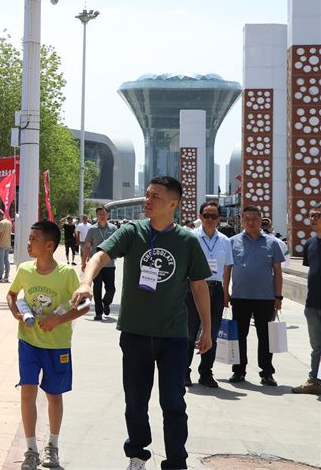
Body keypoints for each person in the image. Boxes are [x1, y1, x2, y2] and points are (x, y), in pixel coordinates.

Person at [71, 176, 212, 470]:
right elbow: (100, 255)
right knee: (135, 402)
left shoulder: (187, 240)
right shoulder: (132, 231)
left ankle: (176, 462)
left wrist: (207, 329)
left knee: (173, 402)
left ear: (173, 203)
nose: (148, 200)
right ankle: (137, 455)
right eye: (147, 195)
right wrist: (86, 281)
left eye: (156, 197)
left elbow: (199, 286)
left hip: (174, 336)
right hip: (135, 333)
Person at [6, 220, 89, 470]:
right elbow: (12, 295)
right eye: (29, 238)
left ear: (49, 245)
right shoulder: (25, 270)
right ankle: (31, 450)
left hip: (57, 345)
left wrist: (58, 320)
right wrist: (16, 312)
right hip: (28, 342)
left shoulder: (66, 274)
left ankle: (52, 446)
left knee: (53, 394)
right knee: (27, 391)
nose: (29, 243)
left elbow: (84, 306)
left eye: (34, 239)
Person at [223, 205, 285, 386]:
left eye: (255, 219)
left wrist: (278, 296)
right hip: (240, 297)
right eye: (247, 219)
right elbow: (227, 269)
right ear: (242, 221)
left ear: (261, 220)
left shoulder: (272, 243)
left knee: (265, 337)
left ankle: (267, 373)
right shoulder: (232, 242)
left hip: (265, 298)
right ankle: (238, 371)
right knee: (239, 336)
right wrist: (225, 292)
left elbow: (278, 271)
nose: (251, 222)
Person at [185, 201, 232, 388]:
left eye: (214, 216)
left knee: (211, 333)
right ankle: (184, 371)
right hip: (193, 288)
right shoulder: (191, 237)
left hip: (215, 289)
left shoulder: (225, 241)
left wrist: (226, 291)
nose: (210, 219)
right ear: (200, 216)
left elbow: (227, 268)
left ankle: (206, 373)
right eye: (206, 215)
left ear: (219, 218)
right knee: (189, 332)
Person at [292, 202, 321, 395]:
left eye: (318, 215)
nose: (313, 218)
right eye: (311, 215)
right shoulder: (309, 244)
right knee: (316, 346)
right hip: (312, 304)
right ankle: (314, 380)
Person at [82, 206, 118, 320]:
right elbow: (87, 246)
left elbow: (118, 244)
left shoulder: (114, 228)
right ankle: (98, 312)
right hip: (95, 264)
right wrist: (83, 262)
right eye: (100, 214)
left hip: (109, 263)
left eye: (104, 214)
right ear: (97, 216)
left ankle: (106, 302)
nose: (102, 216)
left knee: (111, 289)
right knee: (97, 288)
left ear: (108, 215)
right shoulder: (92, 229)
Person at [0, 214, 14, 282]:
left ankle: (0, 276)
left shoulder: (1, 223)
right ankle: (6, 276)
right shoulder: (9, 222)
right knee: (6, 260)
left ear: (0, 216)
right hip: (7, 244)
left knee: (0, 261)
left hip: (0, 244)